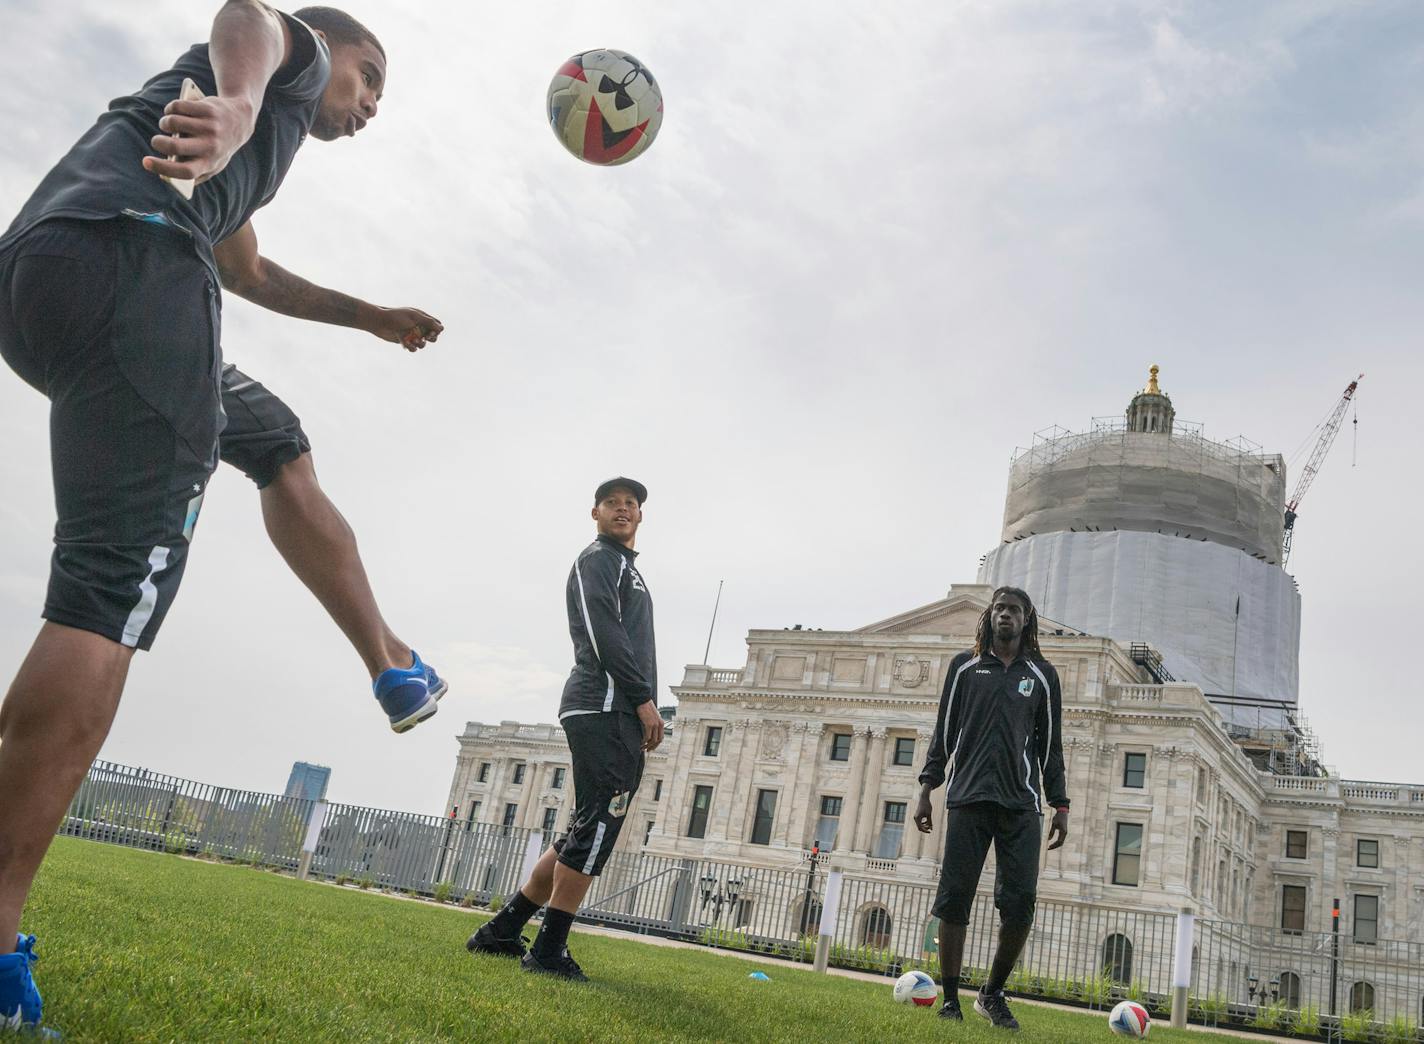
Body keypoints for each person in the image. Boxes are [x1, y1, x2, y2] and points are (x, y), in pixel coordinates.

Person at [0, 4, 444, 1031]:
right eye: (371, 81)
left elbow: (246, 271)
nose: (369, 104)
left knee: (274, 439)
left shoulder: (240, 150)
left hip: (50, 276)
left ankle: (388, 660)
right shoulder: (281, 67)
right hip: (135, 260)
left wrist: (369, 315)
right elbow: (256, 16)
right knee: (112, 592)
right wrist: (245, 99)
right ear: (337, 56)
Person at [466, 477, 664, 982]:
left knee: (586, 823)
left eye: (631, 504)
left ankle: (502, 932)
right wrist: (643, 702)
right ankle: (549, 949)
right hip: (604, 705)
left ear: (640, 516)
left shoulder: (626, 568)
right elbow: (603, 633)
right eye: (613, 503)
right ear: (594, 512)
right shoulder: (597, 559)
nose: (623, 510)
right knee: (601, 821)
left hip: (610, 708)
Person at [914, 586, 1069, 1029]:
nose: (1006, 615)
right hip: (967, 798)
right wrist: (928, 786)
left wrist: (1060, 803)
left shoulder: (1041, 674)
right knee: (954, 900)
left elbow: (1050, 744)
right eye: (1000, 608)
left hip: (1021, 803)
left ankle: (993, 994)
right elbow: (945, 729)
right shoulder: (963, 666)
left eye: (1014, 610)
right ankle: (950, 1000)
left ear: (1026, 620)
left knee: (1020, 903)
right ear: (989, 616)